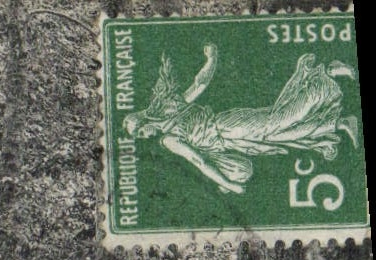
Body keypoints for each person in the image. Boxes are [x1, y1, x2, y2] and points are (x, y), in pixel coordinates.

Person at [123, 48, 359, 195]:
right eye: (140, 137)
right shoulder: (168, 130)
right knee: (281, 134)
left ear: (144, 121)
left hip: (227, 126)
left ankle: (327, 73)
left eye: (141, 131)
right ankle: (340, 124)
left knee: (278, 120)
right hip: (231, 142)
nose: (145, 136)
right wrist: (228, 181)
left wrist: (212, 59)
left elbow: (199, 160)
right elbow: (203, 158)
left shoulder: (170, 128)